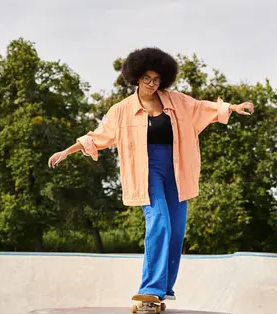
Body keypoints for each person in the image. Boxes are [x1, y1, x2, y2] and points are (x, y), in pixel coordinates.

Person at [48, 47, 254, 301]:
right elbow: (98, 136)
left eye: (157, 80)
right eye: (147, 78)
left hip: (177, 168)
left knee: (177, 230)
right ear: (136, 77)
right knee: (160, 222)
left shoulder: (175, 100)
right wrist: (67, 151)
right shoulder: (122, 110)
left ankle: (164, 287)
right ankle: (150, 288)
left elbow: (202, 108)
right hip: (148, 171)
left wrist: (234, 107)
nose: (152, 84)